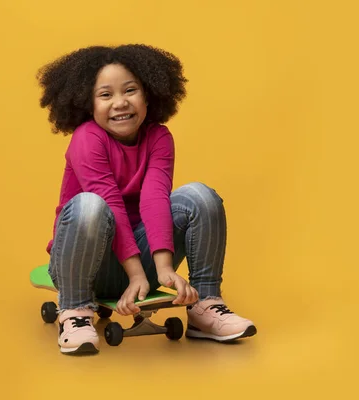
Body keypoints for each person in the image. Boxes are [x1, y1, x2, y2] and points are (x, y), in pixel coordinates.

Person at [37, 44, 257, 355]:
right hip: (84, 265)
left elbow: (155, 198)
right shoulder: (86, 138)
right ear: (88, 104)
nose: (120, 102)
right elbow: (110, 203)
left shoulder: (159, 138)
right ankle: (74, 311)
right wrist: (137, 274)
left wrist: (163, 267)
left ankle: (205, 305)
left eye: (130, 90)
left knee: (200, 196)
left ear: (149, 95)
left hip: (139, 258)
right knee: (91, 205)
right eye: (106, 95)